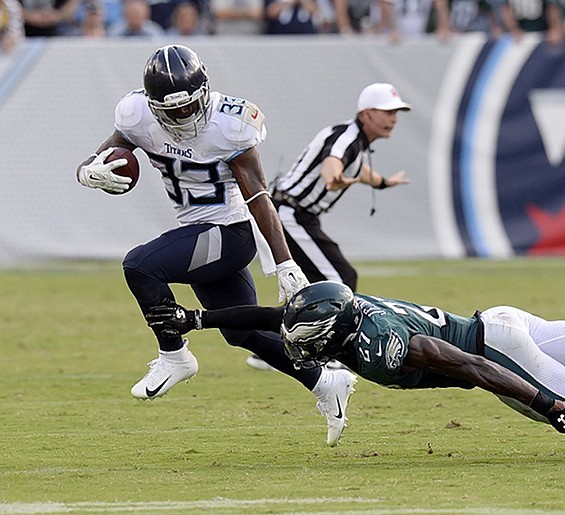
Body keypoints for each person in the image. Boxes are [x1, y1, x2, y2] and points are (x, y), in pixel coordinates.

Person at [74, 44, 356, 447]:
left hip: (229, 233)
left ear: (204, 94)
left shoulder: (231, 124)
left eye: (188, 107)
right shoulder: (136, 114)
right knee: (241, 332)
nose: (181, 117)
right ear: (153, 106)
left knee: (140, 265)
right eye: (170, 111)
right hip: (199, 230)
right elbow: (103, 154)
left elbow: (258, 194)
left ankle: (175, 355)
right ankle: (327, 382)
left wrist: (284, 262)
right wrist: (88, 171)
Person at [146, 282, 565, 444]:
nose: (300, 346)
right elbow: (273, 316)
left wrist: (546, 404)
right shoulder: (337, 307)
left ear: (335, 333)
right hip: (494, 320)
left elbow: (471, 369)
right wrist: (200, 320)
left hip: (489, 349)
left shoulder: (384, 343)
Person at [244, 82, 411, 372]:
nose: (394, 118)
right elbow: (333, 162)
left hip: (296, 214)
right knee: (340, 279)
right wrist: (334, 176)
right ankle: (331, 351)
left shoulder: (355, 141)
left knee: (310, 286)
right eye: (388, 112)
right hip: (291, 214)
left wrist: (384, 182)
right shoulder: (347, 138)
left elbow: (357, 168)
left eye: (396, 112)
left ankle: (270, 348)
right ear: (367, 114)